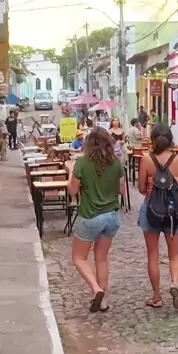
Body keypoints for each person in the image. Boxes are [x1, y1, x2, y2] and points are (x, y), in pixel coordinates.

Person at [68, 128, 125, 312]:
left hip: (91, 216)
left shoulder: (82, 163)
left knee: (79, 258)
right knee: (102, 258)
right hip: (111, 216)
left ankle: (96, 288)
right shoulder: (116, 163)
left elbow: (72, 191)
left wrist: (70, 171)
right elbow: (122, 190)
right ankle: (103, 300)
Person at [138, 124, 178, 310]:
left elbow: (141, 189)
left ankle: (157, 297)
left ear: (153, 140)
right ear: (171, 140)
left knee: (153, 254)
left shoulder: (146, 160)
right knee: (174, 254)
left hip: (152, 210)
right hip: (173, 212)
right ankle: (174, 284)